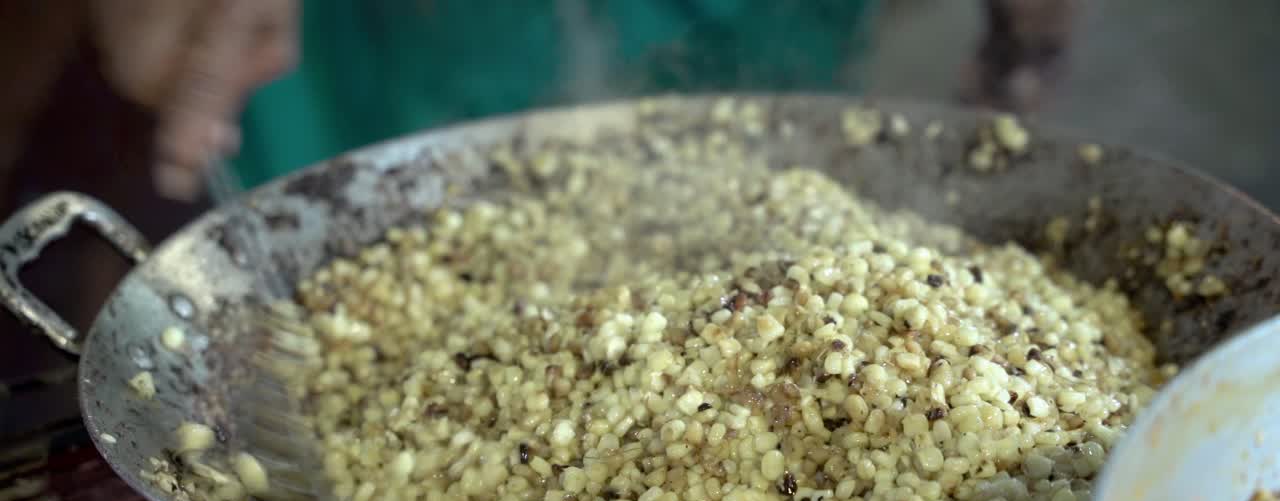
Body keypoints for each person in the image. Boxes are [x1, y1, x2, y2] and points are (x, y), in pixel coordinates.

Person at [0, 0, 1082, 203]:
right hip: (395, 43)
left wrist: (1023, 40)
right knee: (366, 238)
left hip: (747, 18)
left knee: (762, 161)